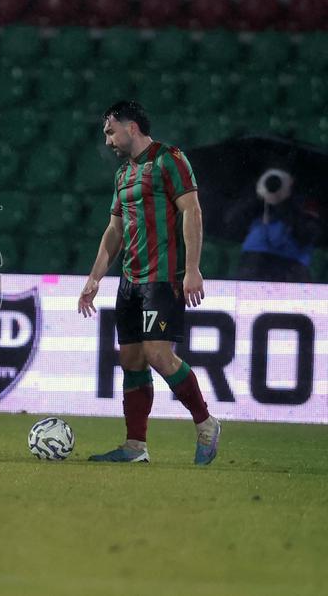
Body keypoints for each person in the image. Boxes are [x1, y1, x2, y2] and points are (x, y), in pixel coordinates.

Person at [78, 101, 221, 465]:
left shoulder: (169, 160)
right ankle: (135, 446)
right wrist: (95, 277)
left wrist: (192, 269)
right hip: (130, 280)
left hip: (163, 277)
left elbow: (192, 210)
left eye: (111, 131)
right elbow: (115, 230)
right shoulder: (124, 175)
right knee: (131, 360)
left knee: (158, 354)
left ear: (132, 127)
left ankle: (206, 424)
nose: (108, 140)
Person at [224, 168, 321, 283]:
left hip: (292, 266)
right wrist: (258, 196)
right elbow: (230, 224)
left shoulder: (304, 202)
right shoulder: (257, 200)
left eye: (280, 180)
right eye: (271, 180)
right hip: (253, 262)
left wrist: (285, 203)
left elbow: (308, 235)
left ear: (292, 181)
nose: (276, 184)